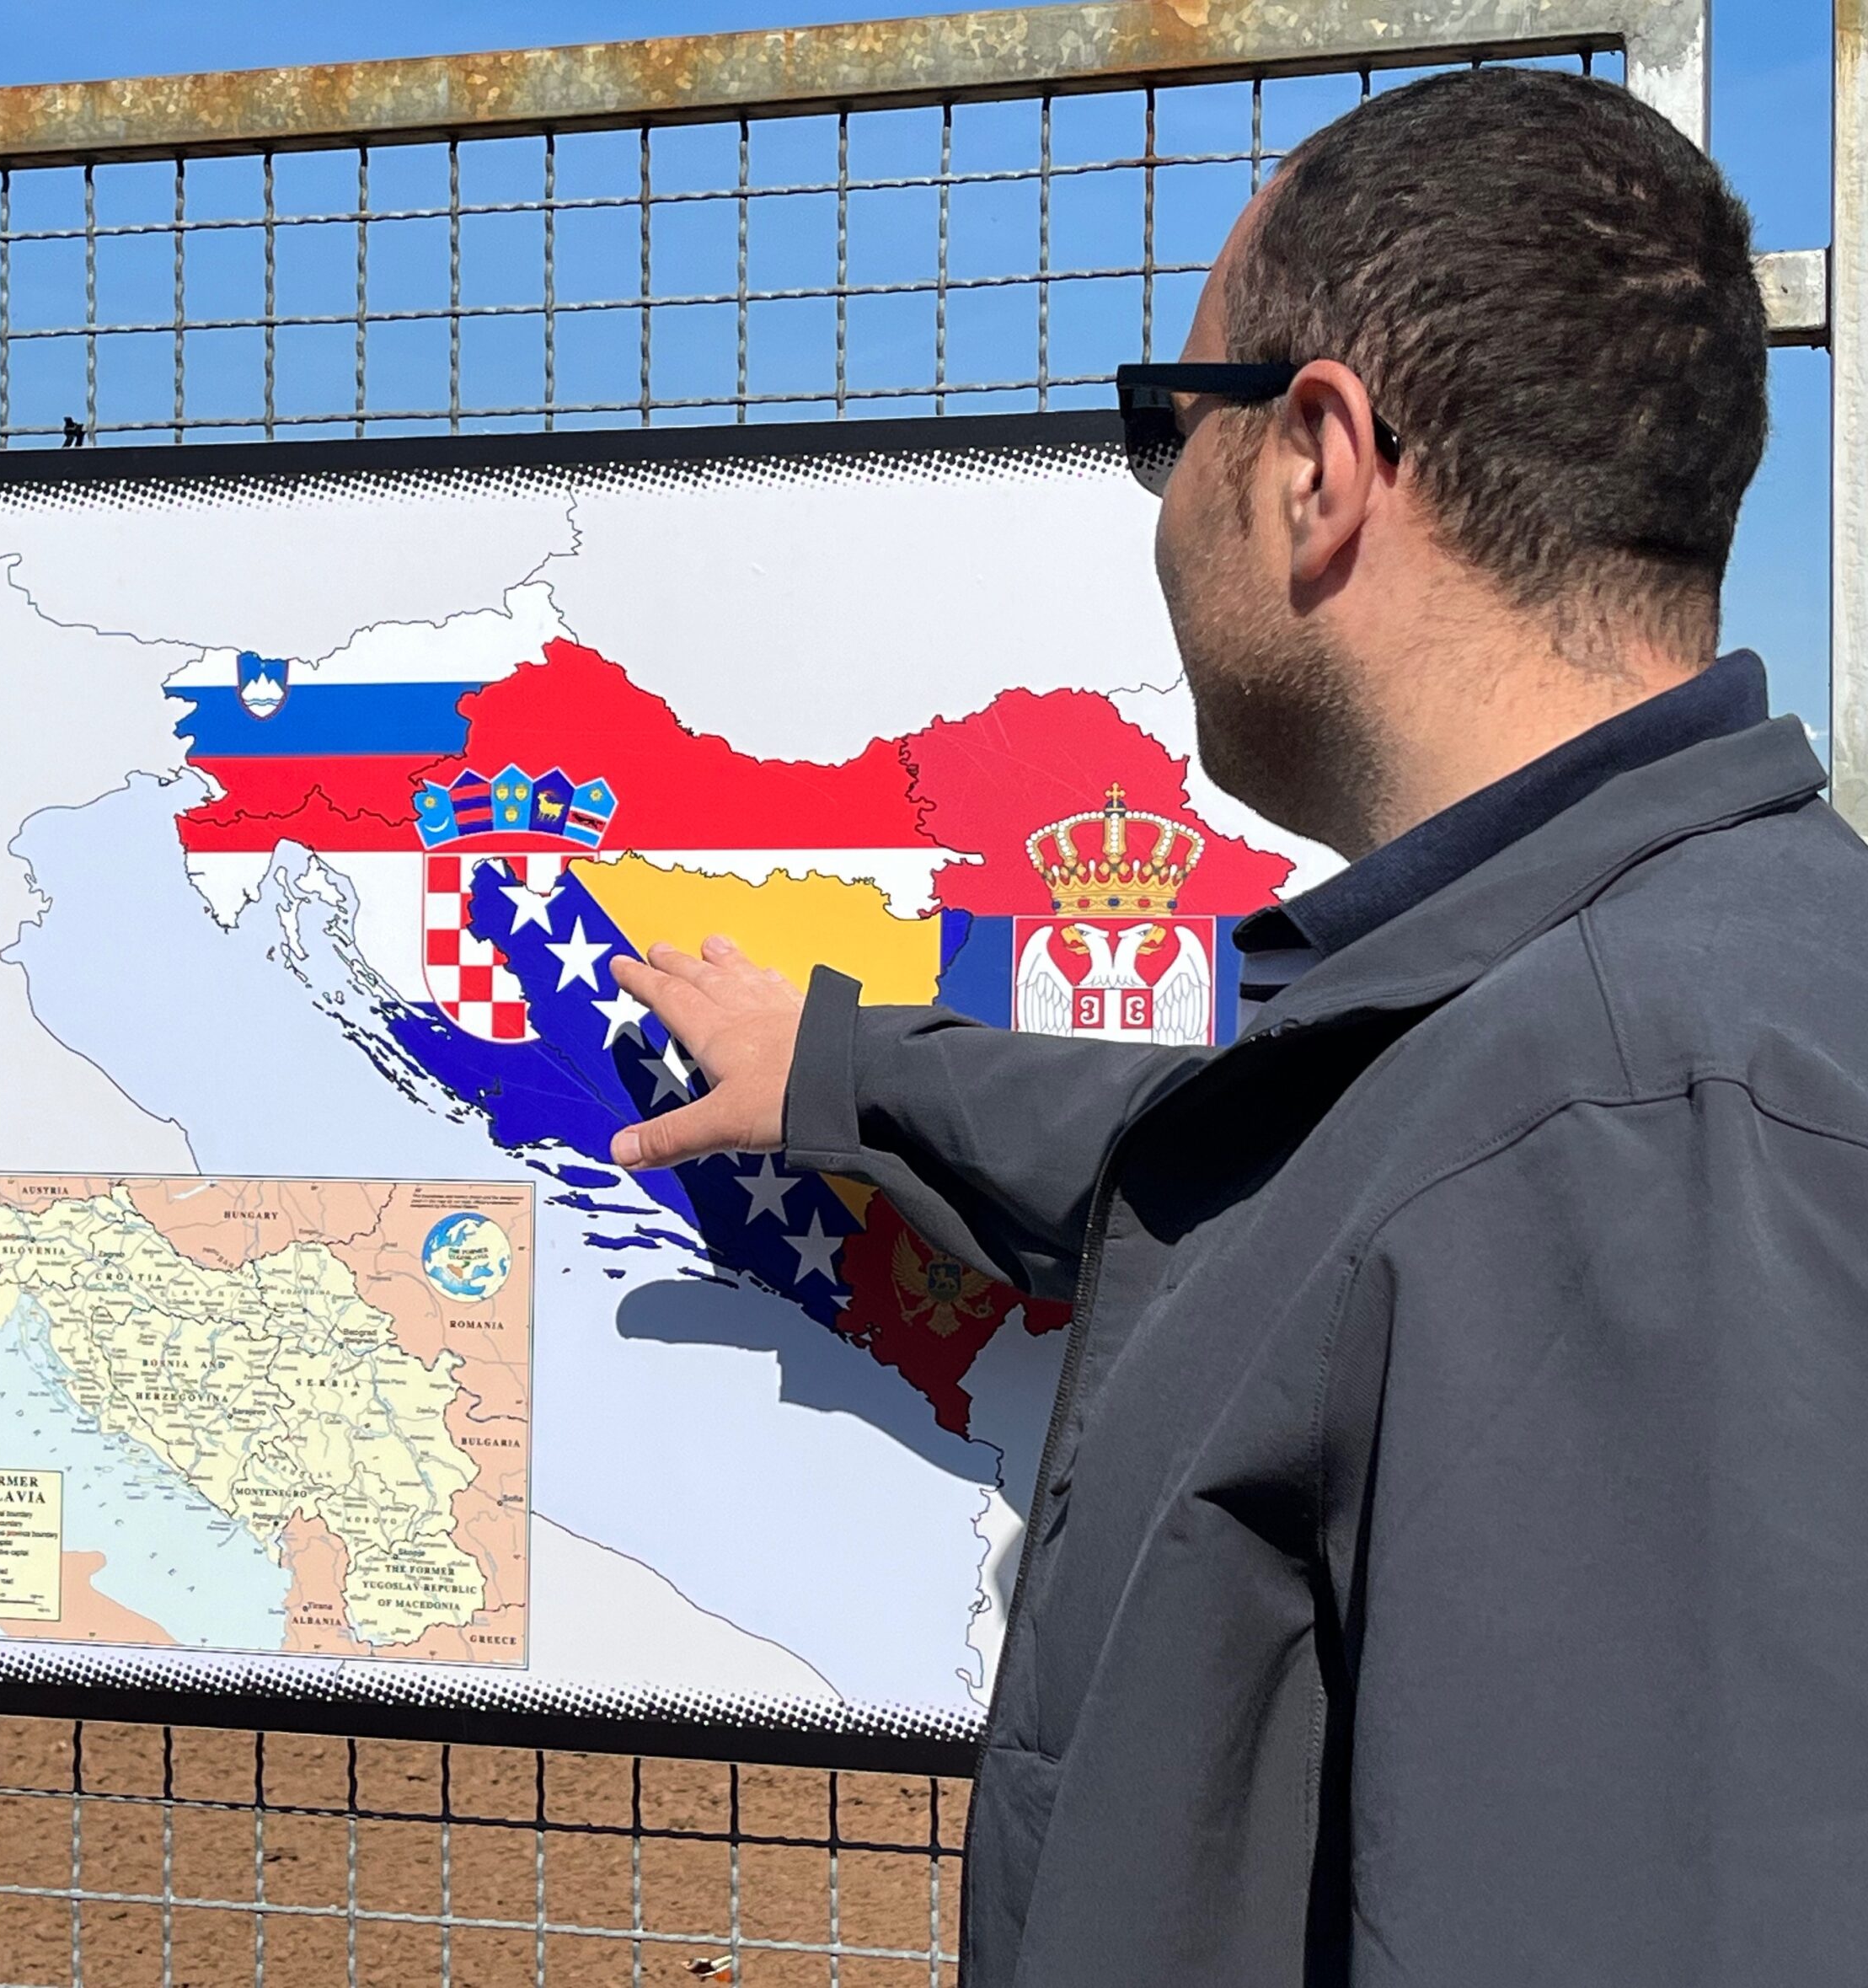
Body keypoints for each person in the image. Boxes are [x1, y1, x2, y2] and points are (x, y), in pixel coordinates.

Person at [606, 66, 1868, 1987]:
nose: (1155, 498)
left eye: (1157, 425)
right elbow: (1287, 1175)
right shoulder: (1573, 1011)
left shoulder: (1643, 1131)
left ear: (1312, 465)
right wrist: (846, 1076)